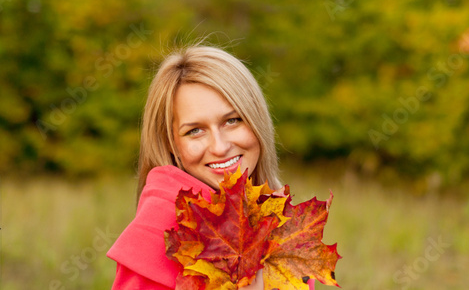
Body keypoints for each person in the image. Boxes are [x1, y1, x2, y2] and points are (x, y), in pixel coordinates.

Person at [107, 46, 315, 290]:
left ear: (256, 120)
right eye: (195, 130)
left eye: (232, 120)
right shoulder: (160, 233)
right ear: (171, 144)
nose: (219, 147)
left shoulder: (279, 221)